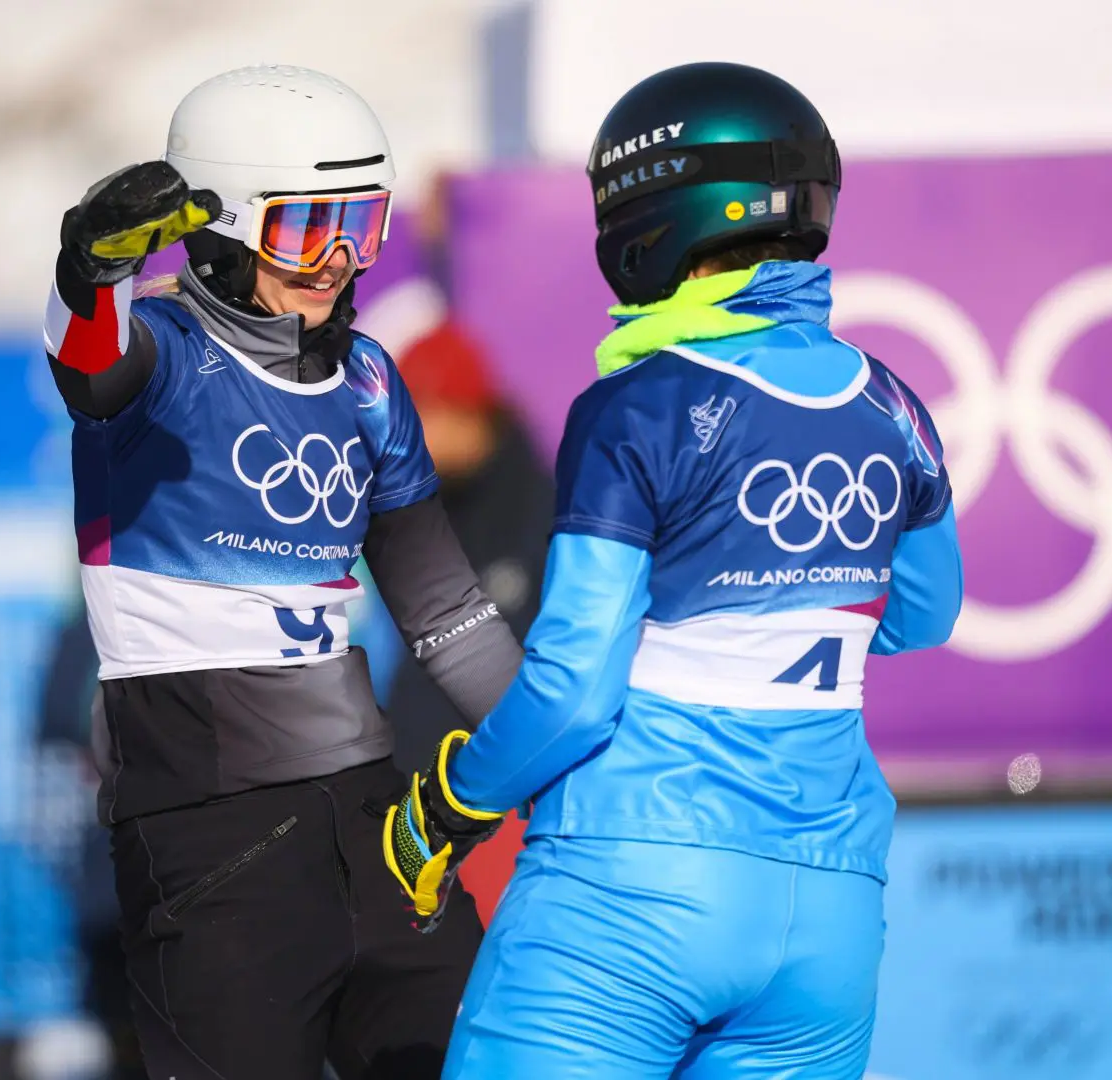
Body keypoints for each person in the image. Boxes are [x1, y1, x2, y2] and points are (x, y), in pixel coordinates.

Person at [383, 62, 965, 1078]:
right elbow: (925, 614)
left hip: (630, 893)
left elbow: (570, 699)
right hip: (827, 914)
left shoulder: (640, 407)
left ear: (650, 215)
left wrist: (444, 807)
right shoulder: (894, 405)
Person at [42, 65, 523, 1080]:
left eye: (365, 225)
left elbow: (445, 611)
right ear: (220, 232)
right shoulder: (162, 355)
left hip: (370, 818)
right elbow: (90, 364)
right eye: (308, 230)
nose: (341, 263)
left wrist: (560, 742)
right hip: (212, 840)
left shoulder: (369, 379)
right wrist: (86, 267)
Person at [380, 321, 553, 774]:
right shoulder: (417, 513)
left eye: (420, 416)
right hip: (415, 792)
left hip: (501, 797)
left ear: (466, 412)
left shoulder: (546, 520)